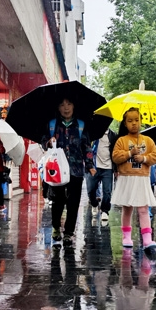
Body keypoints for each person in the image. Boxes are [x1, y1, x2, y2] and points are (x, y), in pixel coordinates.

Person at [41, 97, 95, 242]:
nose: (66, 107)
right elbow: (43, 140)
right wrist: (48, 142)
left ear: (74, 106)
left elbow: (87, 147)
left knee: (74, 202)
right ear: (58, 108)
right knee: (57, 201)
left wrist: (90, 166)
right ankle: (56, 227)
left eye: (69, 104)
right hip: (57, 170)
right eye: (62, 104)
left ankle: (69, 232)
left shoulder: (81, 125)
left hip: (76, 170)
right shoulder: (52, 124)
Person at [111, 107, 156, 251]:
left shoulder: (148, 140)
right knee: (127, 209)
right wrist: (130, 153)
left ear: (141, 122)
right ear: (125, 123)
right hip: (127, 178)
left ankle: (147, 240)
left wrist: (144, 158)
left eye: (137, 120)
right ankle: (126, 236)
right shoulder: (121, 140)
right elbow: (116, 157)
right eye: (130, 120)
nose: (134, 123)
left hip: (142, 179)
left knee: (143, 209)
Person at [86, 128, 117, 222]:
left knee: (107, 191)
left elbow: (115, 152)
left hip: (108, 167)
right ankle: (94, 204)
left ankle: (105, 211)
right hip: (94, 166)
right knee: (91, 189)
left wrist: (116, 169)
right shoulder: (94, 133)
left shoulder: (113, 136)